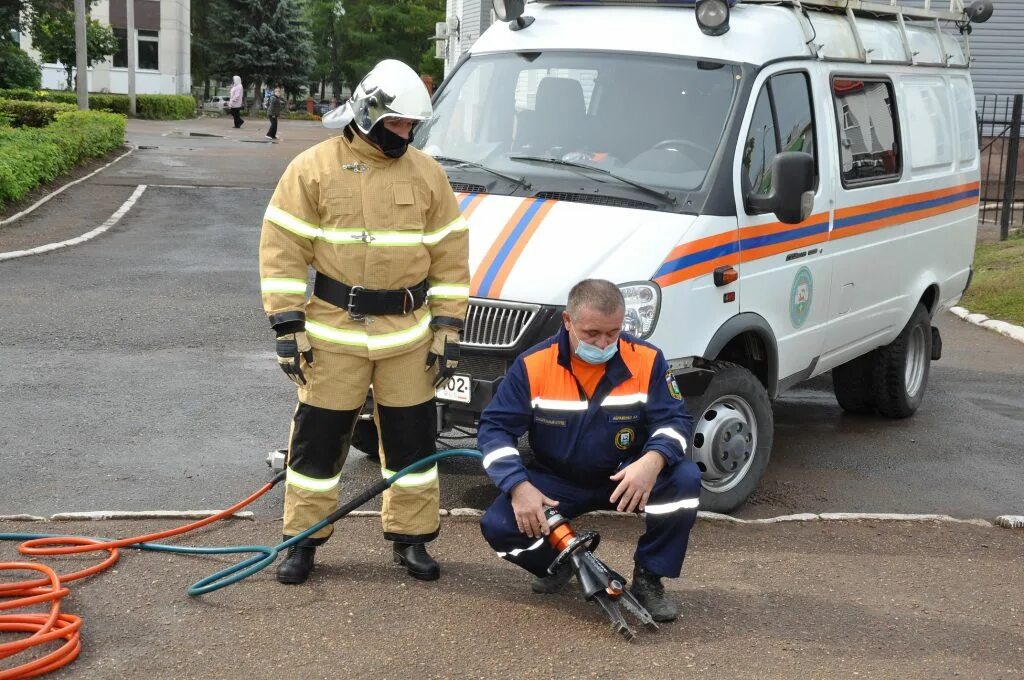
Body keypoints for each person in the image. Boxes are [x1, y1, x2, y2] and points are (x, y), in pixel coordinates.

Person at [259, 59, 469, 585]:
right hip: (332, 335)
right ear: (368, 113)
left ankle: (412, 540)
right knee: (317, 445)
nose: (404, 134)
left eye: (410, 127)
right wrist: (288, 326)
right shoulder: (313, 168)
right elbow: (282, 247)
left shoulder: (427, 173)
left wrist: (447, 327)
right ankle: (303, 542)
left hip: (407, 336)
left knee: (413, 445)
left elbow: (450, 255)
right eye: (396, 124)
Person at [477, 279, 701, 622]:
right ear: (567, 321)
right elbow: (494, 429)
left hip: (626, 477)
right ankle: (560, 563)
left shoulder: (647, 359)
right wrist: (518, 487)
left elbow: (675, 421)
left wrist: (652, 462)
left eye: (614, 333)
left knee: (683, 480)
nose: (604, 343)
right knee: (498, 525)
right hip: (557, 480)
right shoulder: (533, 365)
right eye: (592, 333)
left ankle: (649, 579)